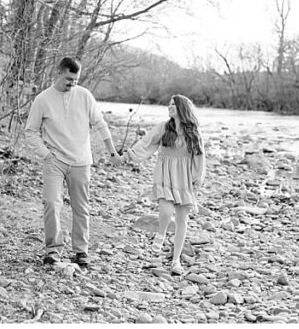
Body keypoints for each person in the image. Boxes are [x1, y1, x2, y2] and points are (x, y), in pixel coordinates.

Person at [24, 57, 121, 268]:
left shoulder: (85, 96)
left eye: (75, 80)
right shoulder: (43, 99)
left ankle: (81, 251)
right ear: (58, 73)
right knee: (51, 202)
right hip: (54, 161)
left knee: (81, 207)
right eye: (68, 79)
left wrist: (112, 152)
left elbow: (100, 124)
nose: (72, 83)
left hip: (81, 160)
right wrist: (45, 154)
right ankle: (53, 250)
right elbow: (30, 131)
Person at [124, 95, 206, 274]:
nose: (169, 108)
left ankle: (176, 261)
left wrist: (197, 178)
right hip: (165, 175)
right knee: (166, 211)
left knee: (182, 220)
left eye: (173, 105)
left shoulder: (193, 131)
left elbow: (199, 156)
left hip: (184, 178)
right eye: (169, 105)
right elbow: (147, 143)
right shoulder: (163, 127)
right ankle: (160, 235)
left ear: (182, 108)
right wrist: (129, 156)